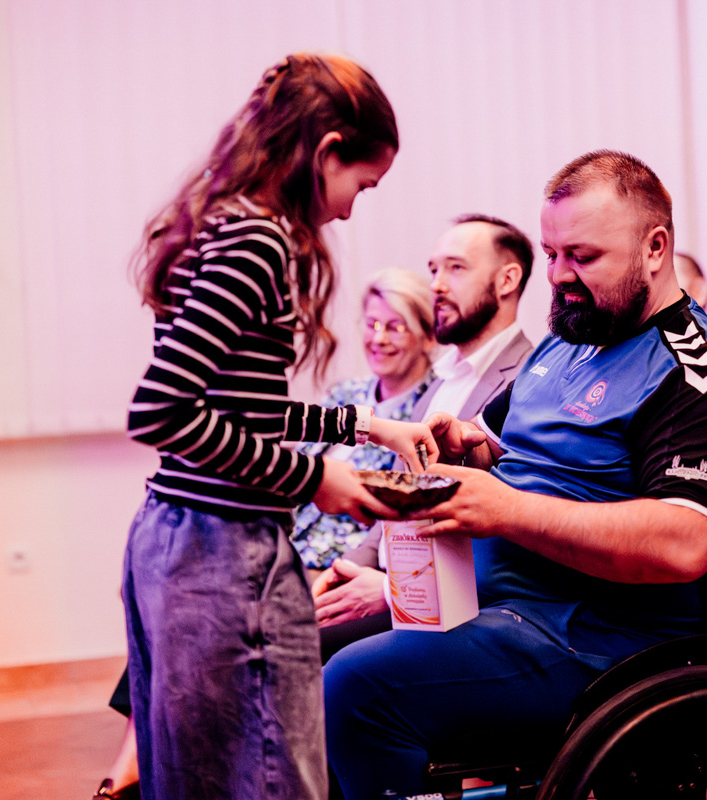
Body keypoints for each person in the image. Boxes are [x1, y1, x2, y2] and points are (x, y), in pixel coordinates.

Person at [321, 150, 707, 799]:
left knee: (356, 688)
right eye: (552, 253)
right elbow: (498, 441)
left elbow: (683, 543)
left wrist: (505, 509)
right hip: (494, 604)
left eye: (583, 257)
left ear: (655, 248)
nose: (559, 276)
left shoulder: (703, 379)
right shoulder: (573, 339)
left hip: (596, 641)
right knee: (301, 645)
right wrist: (465, 444)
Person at [116, 54, 437, 800]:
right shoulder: (258, 242)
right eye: (362, 185)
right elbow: (162, 410)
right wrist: (314, 477)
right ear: (327, 151)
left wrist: (366, 428)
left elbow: (239, 405)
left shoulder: (215, 226)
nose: (351, 211)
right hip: (223, 556)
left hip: (176, 537)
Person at [310, 214, 535, 654]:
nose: (436, 285)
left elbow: (503, 531)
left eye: (456, 268)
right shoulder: (437, 383)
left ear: (507, 280)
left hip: (451, 603)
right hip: (388, 578)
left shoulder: (528, 379)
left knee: (295, 656)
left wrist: (393, 588)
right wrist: (342, 570)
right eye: (433, 269)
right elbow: (398, 502)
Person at [291, 267, 439, 570]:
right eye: (372, 325)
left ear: (428, 337)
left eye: (396, 327)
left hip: (346, 566)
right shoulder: (344, 394)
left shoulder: (431, 411)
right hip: (288, 549)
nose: (379, 339)